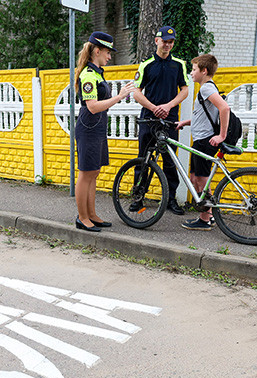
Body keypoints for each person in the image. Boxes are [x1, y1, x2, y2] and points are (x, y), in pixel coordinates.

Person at [74, 32, 135, 232]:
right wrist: (119, 97)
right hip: (88, 128)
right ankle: (82, 218)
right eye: (108, 52)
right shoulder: (88, 75)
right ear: (97, 51)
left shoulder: (98, 73)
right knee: (85, 174)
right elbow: (92, 106)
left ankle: (91, 214)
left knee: (94, 172)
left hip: (97, 128)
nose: (110, 57)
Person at [132, 26, 189, 216]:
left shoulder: (179, 64)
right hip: (149, 119)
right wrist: (153, 107)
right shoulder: (146, 64)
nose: (168, 45)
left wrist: (168, 106)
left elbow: (184, 90)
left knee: (170, 160)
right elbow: (136, 92)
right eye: (165, 41)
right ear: (157, 41)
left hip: (170, 120)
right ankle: (138, 198)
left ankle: (171, 200)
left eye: (171, 42)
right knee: (143, 159)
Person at [177, 54, 230, 231]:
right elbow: (205, 117)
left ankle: (205, 219)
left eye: (193, 69)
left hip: (205, 141)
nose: (191, 73)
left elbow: (224, 108)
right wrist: (186, 122)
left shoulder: (207, 88)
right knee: (195, 178)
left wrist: (221, 136)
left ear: (204, 71)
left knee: (200, 180)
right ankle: (210, 215)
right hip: (201, 139)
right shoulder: (207, 89)